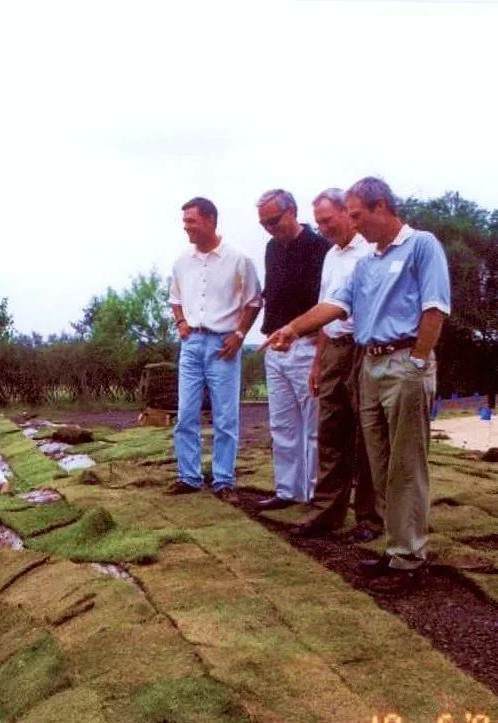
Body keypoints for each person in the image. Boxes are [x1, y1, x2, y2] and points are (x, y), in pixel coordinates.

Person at [262, 177, 451, 589]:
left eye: (356, 215)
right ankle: (397, 547)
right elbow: (334, 305)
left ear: (381, 205)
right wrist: (292, 328)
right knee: (381, 465)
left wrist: (418, 361)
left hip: (404, 363)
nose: (352, 223)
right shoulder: (367, 262)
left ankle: (409, 560)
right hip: (371, 364)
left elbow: (435, 308)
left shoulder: (422, 246)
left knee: (405, 465)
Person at [289, 188, 381, 542]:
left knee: (367, 433)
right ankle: (327, 512)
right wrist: (317, 362)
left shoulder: (370, 250)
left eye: (327, 220)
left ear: (347, 213)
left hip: (363, 346)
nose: (323, 228)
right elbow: (327, 307)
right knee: (330, 433)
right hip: (333, 348)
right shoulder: (330, 255)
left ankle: (371, 517)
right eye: (318, 222)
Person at [167, 197, 263, 504]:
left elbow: (253, 301)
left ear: (209, 220)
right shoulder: (182, 262)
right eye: (185, 223)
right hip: (192, 344)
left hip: (223, 344)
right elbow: (175, 297)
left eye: (191, 222)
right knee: (186, 413)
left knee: (225, 415)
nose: (186, 228)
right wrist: (181, 322)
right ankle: (189, 476)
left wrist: (239, 334)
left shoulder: (238, 260)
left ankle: (223, 479)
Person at [255, 189, 330, 511]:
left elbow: (327, 304)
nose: (270, 228)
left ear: (292, 212)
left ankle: (315, 494)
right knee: (283, 423)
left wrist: (316, 349)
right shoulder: (272, 249)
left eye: (273, 220)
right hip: (276, 345)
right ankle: (288, 490)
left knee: (313, 425)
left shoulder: (320, 248)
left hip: (308, 344)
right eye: (263, 223)